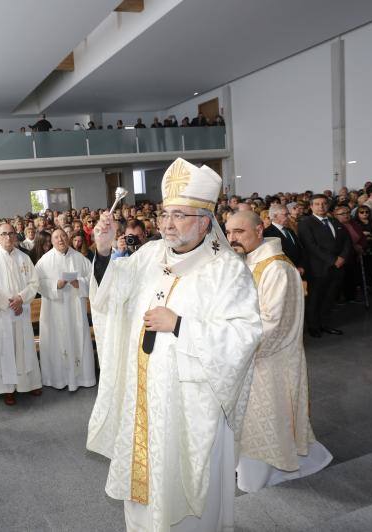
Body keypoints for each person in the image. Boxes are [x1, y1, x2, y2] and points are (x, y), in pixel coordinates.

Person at [87, 157, 262, 531]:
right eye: (165, 214)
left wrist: (180, 324)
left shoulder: (226, 271)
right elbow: (112, 296)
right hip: (143, 396)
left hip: (189, 404)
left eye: (179, 215)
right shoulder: (150, 255)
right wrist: (103, 253)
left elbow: (244, 335)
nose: (167, 223)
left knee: (183, 492)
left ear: (204, 221)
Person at [225, 212, 332, 493]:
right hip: (248, 359)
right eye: (228, 232)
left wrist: (227, 343)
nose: (232, 238)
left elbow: (273, 325)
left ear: (260, 229)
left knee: (264, 424)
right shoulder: (248, 261)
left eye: (239, 231)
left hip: (269, 363)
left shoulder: (277, 269)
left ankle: (260, 476)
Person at [0, 223, 42, 405]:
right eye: (3, 234)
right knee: (5, 350)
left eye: (11, 234)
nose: (8, 237)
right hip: (2, 314)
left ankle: (29, 383)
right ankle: (7, 388)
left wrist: (21, 299)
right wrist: (10, 303)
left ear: (16, 236)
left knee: (24, 348)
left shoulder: (24, 257)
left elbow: (34, 283)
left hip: (21, 311)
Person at [35, 229, 96, 392]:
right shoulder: (44, 261)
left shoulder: (79, 258)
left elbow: (92, 277)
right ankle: (58, 378)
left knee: (78, 336)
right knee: (57, 339)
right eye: (56, 237)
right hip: (54, 309)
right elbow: (37, 283)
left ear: (68, 238)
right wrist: (56, 284)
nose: (60, 239)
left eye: (63, 236)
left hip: (75, 308)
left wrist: (80, 283)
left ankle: (82, 377)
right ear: (51, 241)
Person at [297, 195, 351, 337]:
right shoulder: (306, 223)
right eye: (317, 204)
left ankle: (325, 324)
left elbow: (347, 241)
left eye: (324, 203)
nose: (321, 206)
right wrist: (333, 260)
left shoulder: (334, 221)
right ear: (311, 206)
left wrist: (343, 257)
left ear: (328, 205)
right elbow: (311, 246)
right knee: (315, 299)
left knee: (330, 298)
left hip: (337, 267)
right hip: (318, 268)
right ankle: (314, 327)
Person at [263, 204, 305, 275]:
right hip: (283, 273)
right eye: (285, 215)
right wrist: (293, 269)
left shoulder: (290, 230)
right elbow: (274, 257)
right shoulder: (267, 233)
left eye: (288, 214)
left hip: (299, 272)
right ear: (274, 216)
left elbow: (300, 249)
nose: (289, 217)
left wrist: (301, 266)